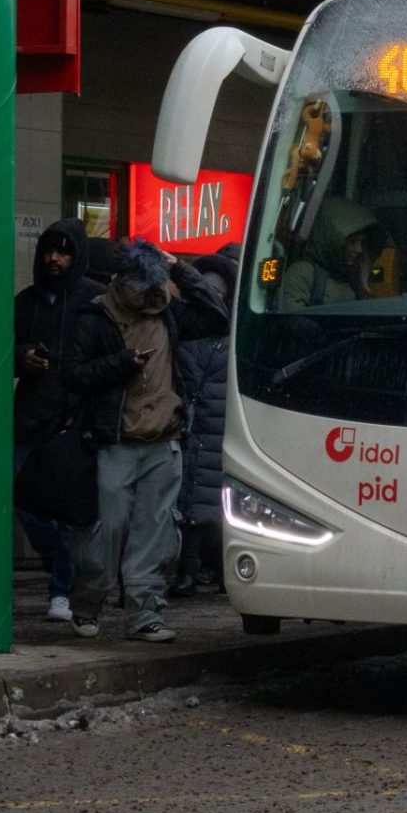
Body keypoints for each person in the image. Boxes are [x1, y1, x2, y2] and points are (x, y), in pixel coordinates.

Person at [61, 241, 227, 642]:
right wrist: (121, 364)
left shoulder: (167, 312)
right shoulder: (95, 317)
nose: (150, 297)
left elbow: (217, 318)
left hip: (163, 440)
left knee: (155, 534)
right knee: (104, 532)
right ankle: (86, 604)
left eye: (155, 287)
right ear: (120, 283)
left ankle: (144, 614)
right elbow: (74, 375)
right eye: (142, 288)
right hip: (114, 441)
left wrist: (181, 272)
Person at [14, 219, 102, 623]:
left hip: (71, 422)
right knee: (24, 505)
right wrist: (22, 357)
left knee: (67, 516)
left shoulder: (94, 301)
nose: (54, 258)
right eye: (49, 250)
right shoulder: (25, 302)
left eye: (63, 251)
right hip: (29, 419)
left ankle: (62, 590)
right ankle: (60, 568)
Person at [171, 245, 240, 601]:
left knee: (213, 506)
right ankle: (188, 571)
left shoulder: (235, 338)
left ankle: (214, 570)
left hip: (218, 427)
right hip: (192, 425)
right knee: (189, 501)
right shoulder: (187, 328)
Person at [274, 197, 381, 311]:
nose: (359, 249)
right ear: (332, 240)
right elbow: (293, 320)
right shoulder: (303, 273)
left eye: (362, 243)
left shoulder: (354, 276)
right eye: (352, 242)